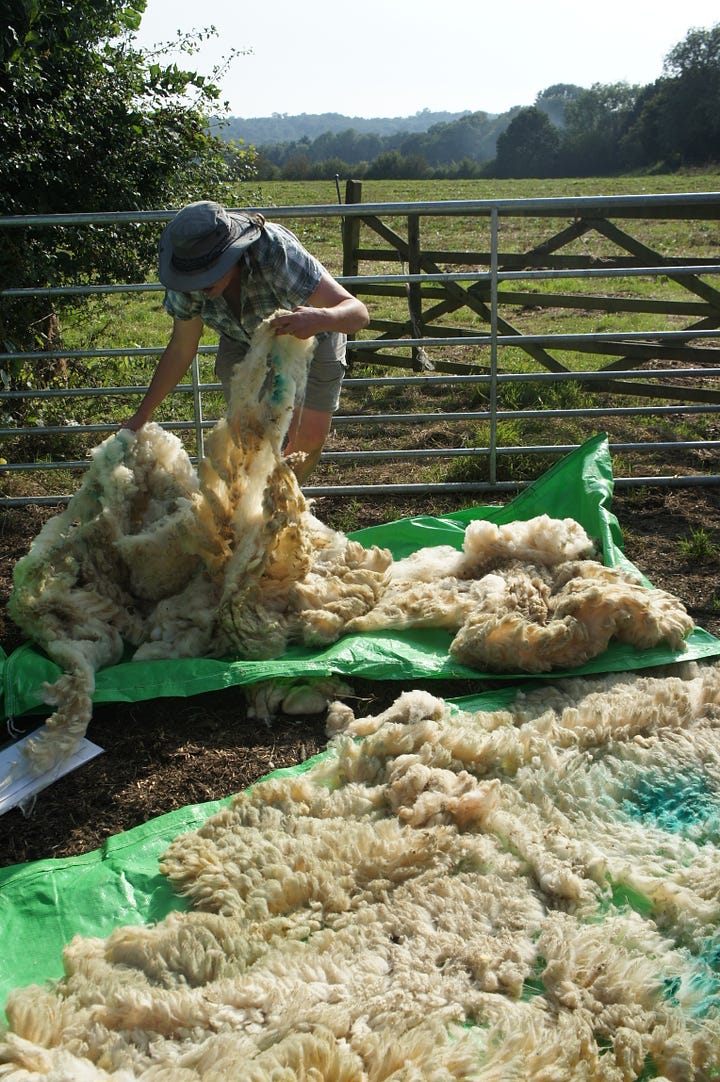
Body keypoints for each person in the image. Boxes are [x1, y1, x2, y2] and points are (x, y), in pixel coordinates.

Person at [122, 200, 369, 481]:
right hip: (242, 342)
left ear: (232, 254)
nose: (200, 283)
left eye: (209, 271)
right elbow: (181, 348)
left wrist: (319, 318)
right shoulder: (185, 281)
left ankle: (282, 509)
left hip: (314, 333)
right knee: (248, 440)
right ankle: (252, 514)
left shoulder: (275, 253)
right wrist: (141, 416)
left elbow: (357, 313)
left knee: (308, 439)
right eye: (193, 276)